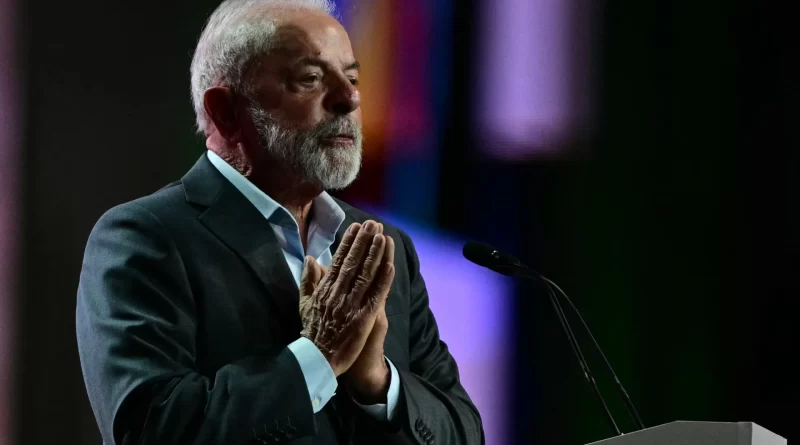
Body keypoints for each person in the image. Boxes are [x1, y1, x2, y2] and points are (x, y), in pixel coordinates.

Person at [75, 0, 484, 444]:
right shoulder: (145, 238)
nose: (349, 99)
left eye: (351, 78)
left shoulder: (385, 246)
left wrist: (378, 383)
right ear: (226, 111)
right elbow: (152, 430)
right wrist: (318, 357)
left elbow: (463, 431)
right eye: (309, 78)